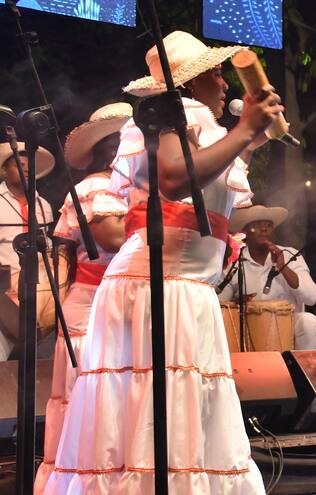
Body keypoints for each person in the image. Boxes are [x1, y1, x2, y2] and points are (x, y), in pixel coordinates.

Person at [45, 31, 282, 494]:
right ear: (190, 85)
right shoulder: (171, 118)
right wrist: (248, 129)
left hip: (184, 286)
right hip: (160, 284)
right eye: (216, 74)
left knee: (175, 409)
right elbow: (174, 180)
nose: (225, 84)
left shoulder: (205, 127)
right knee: (159, 410)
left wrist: (255, 131)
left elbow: (218, 170)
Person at [34, 102, 131, 494]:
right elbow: (114, 239)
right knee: (88, 393)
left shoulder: (125, 189)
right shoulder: (94, 187)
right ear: (113, 148)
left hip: (114, 305)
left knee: (111, 394)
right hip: (90, 306)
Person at [220, 204, 316, 350]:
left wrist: (283, 267)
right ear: (246, 231)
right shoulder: (235, 264)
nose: (264, 229)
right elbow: (221, 304)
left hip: (287, 327)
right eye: (257, 225)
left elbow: (312, 297)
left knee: (309, 321)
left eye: (268, 225)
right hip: (250, 331)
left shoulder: (290, 255)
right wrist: (237, 302)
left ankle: (301, 371)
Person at [0, 141, 55, 360]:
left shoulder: (44, 205)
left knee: (38, 354)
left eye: (29, 167)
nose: (25, 170)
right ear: (4, 171)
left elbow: (49, 249)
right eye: (19, 165)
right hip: (3, 288)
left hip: (35, 290)